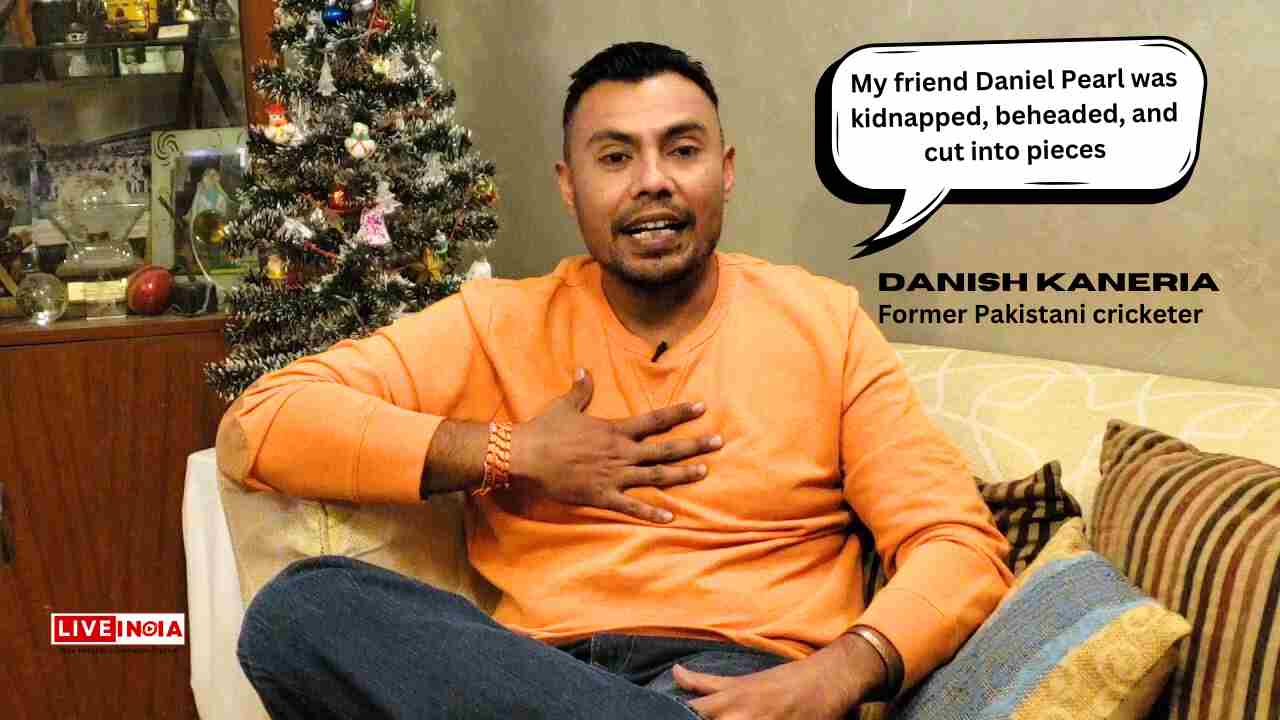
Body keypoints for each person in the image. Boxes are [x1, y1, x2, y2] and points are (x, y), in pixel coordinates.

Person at [219, 42, 1013, 720]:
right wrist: (509, 451)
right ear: (570, 185)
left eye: (683, 150)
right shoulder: (497, 323)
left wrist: (843, 667)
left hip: (734, 686)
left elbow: (958, 543)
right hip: (533, 680)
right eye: (615, 157)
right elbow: (262, 423)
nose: (652, 180)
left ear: (725, 172)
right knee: (300, 610)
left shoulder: (824, 325)